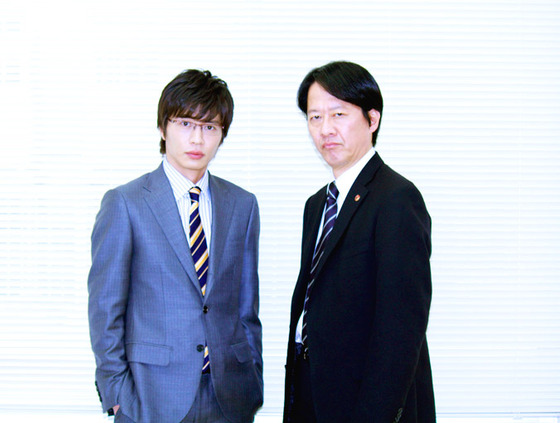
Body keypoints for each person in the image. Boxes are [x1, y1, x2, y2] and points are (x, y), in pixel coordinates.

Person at [88, 69, 263, 423]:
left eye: (209, 127)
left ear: (222, 134)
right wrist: (118, 395)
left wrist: (253, 379)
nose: (197, 138)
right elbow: (105, 309)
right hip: (150, 398)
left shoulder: (242, 204)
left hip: (228, 398)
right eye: (185, 123)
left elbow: (247, 308)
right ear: (163, 127)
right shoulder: (126, 203)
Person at [283, 61, 435, 423]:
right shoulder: (317, 205)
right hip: (312, 393)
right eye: (315, 117)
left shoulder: (396, 198)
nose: (325, 129)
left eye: (339, 114)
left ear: (372, 119)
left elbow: (401, 332)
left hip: (364, 405)